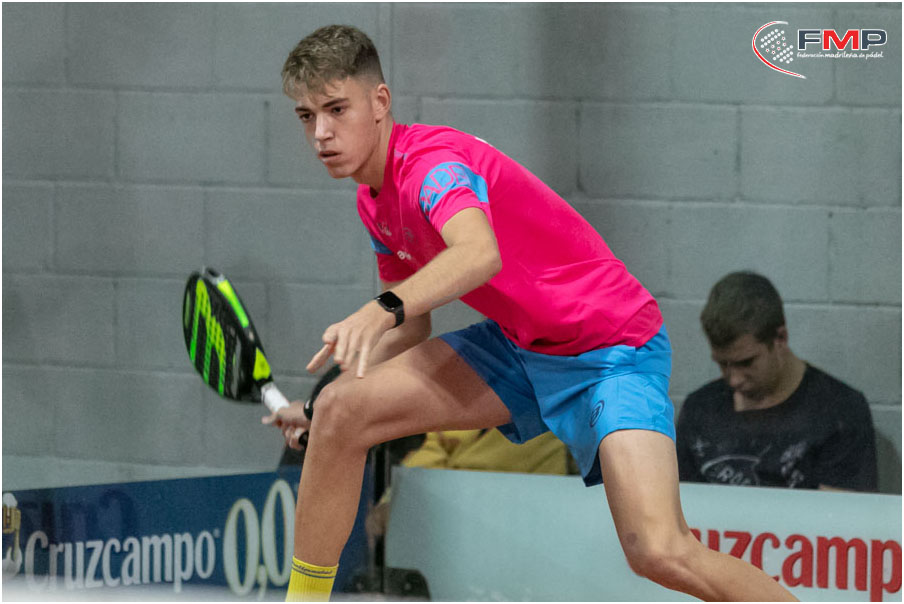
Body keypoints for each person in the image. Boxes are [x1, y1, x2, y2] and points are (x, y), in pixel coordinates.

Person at [263, 24, 797, 602]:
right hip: (520, 347)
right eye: (306, 116)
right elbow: (413, 325)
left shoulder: (432, 167)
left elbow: (478, 254)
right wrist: (318, 407)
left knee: (658, 551)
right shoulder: (374, 201)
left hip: (611, 347)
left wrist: (383, 307)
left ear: (380, 101)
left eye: (337, 109)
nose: (321, 133)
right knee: (340, 411)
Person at [676, 271, 878, 491]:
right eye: (723, 364)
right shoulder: (699, 409)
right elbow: (678, 502)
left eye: (746, 363)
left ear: (780, 338)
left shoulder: (840, 411)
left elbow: (841, 511)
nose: (734, 380)